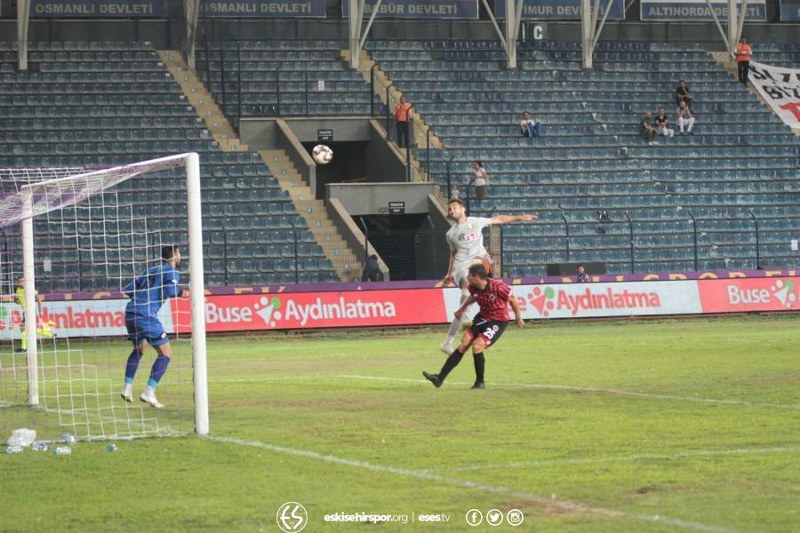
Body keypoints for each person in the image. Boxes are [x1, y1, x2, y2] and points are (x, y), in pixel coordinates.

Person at [439, 198, 536, 354]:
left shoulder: (476, 222)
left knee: (466, 304)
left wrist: (519, 217)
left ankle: (447, 343)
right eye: (449, 209)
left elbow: (499, 219)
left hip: (478, 265)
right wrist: (449, 274)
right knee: (466, 287)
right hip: (462, 268)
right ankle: (465, 320)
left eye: (454, 207)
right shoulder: (450, 234)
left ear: (462, 208)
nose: (451, 211)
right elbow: (453, 254)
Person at [424, 263, 524, 390]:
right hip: (481, 318)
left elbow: (513, 299)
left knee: (477, 346)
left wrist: (518, 318)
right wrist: (461, 309)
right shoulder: (472, 287)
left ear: (477, 276)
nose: (467, 277)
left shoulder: (498, 286)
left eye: (470, 275)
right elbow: (473, 297)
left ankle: (480, 382)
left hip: (498, 321)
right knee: (463, 344)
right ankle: (439, 378)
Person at [121, 245, 189, 409]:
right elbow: (170, 290)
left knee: (139, 348)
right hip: (146, 315)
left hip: (131, 312)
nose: (180, 256)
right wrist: (183, 293)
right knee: (165, 353)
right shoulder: (171, 272)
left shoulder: (150, 270)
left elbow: (128, 291)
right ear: (174, 256)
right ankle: (149, 392)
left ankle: (127, 388)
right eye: (179, 253)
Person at [13, 275, 53, 352]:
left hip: (31, 310)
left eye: (23, 281)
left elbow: (38, 299)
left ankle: (24, 348)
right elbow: (18, 302)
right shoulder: (17, 290)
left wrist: (40, 310)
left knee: (22, 327)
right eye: (20, 281)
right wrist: (15, 300)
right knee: (29, 328)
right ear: (18, 283)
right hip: (25, 311)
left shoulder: (29, 288)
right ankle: (50, 335)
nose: (22, 282)